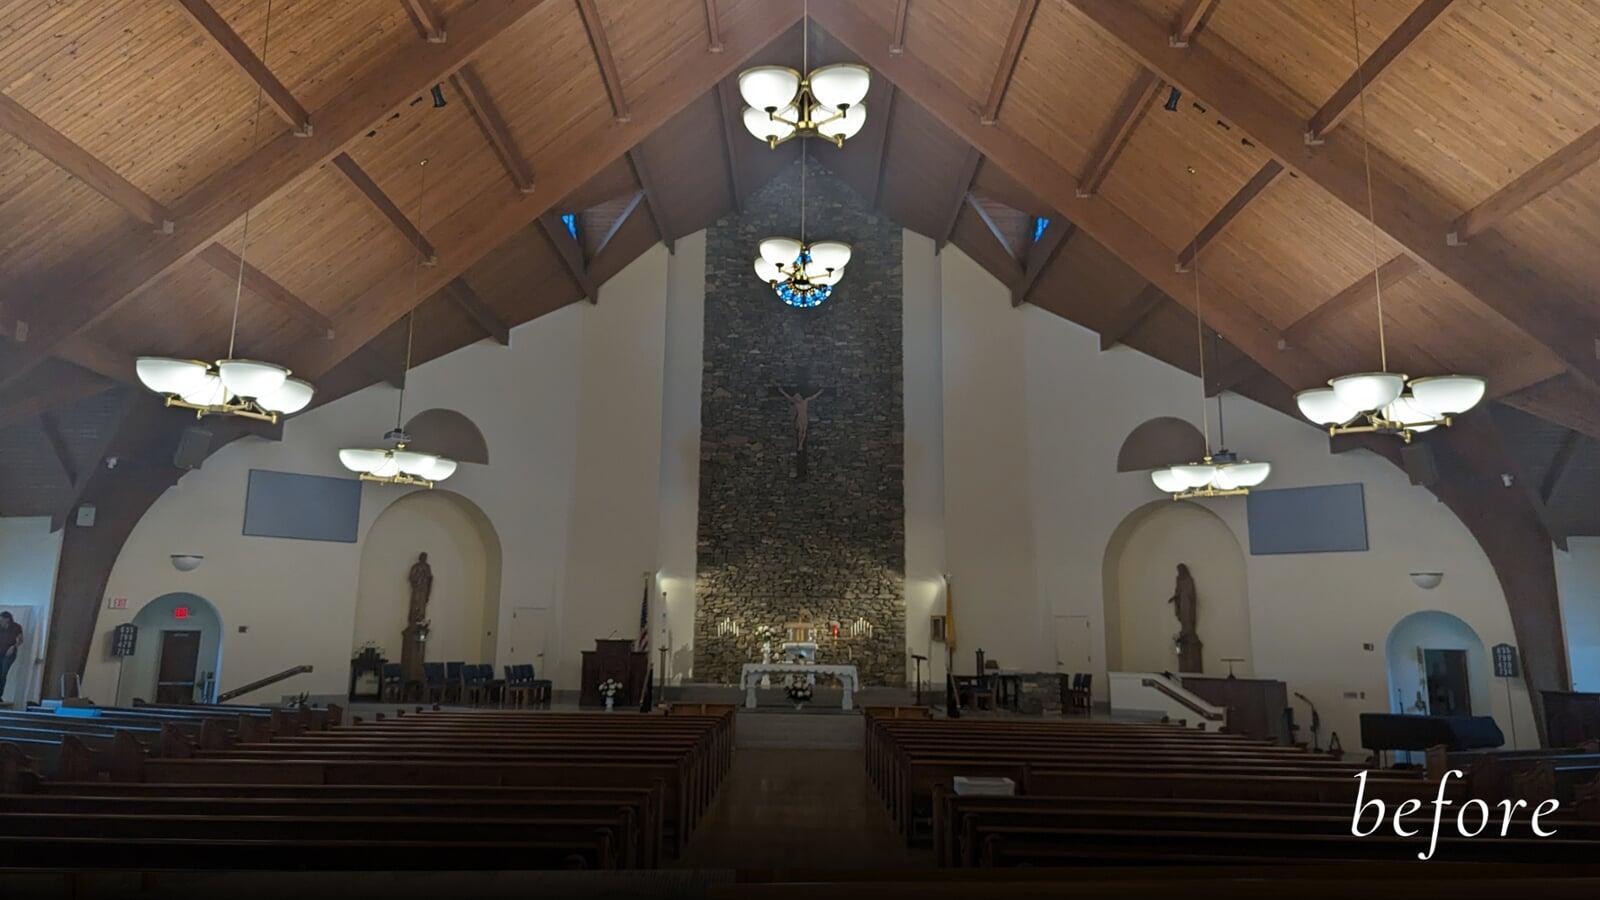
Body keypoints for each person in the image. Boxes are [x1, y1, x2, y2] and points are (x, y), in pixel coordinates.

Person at [0, 612, 22, 701]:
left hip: (9, 654)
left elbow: (20, 640)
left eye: (1, 619)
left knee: (3, 673)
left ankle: (0, 695)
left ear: (7, 619)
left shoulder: (16, 627)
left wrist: (14, 646)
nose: (0, 621)